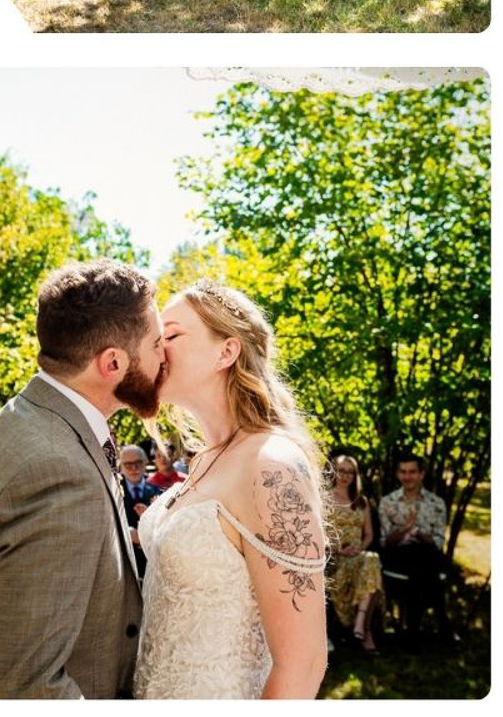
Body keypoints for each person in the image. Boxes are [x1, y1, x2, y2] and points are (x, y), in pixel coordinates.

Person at [0, 258, 165, 699]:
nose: (164, 356)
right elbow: (31, 686)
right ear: (112, 362)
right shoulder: (57, 473)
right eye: (156, 344)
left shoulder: (29, 416)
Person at [134, 280, 328, 699]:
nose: (156, 347)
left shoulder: (271, 465)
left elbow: (304, 662)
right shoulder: (204, 460)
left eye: (171, 335)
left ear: (226, 351)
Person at [377, 453, 452, 626]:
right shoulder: (388, 502)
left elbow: (439, 541)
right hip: (398, 556)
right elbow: (385, 542)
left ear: (421, 474)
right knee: (420, 561)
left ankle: (412, 631)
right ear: (397, 474)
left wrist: (418, 533)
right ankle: (442, 620)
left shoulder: (436, 503)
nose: (407, 477)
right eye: (403, 472)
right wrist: (405, 529)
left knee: (420, 560)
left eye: (412, 472)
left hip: (427, 554)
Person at [327, 455, 383, 654]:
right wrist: (339, 549)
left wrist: (360, 548)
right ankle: (365, 630)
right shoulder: (324, 499)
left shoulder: (361, 501)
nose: (345, 476)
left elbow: (369, 534)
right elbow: (318, 535)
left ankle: (360, 622)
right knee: (372, 565)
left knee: (371, 559)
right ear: (333, 471)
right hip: (335, 558)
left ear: (355, 475)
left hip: (359, 556)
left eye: (350, 472)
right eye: (341, 470)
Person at [117, 444, 161, 575]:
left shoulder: (157, 488)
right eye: (128, 464)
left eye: (138, 463)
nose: (134, 468)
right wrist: (126, 533)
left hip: (153, 563)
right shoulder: (113, 490)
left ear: (145, 462)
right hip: (126, 565)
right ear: (121, 466)